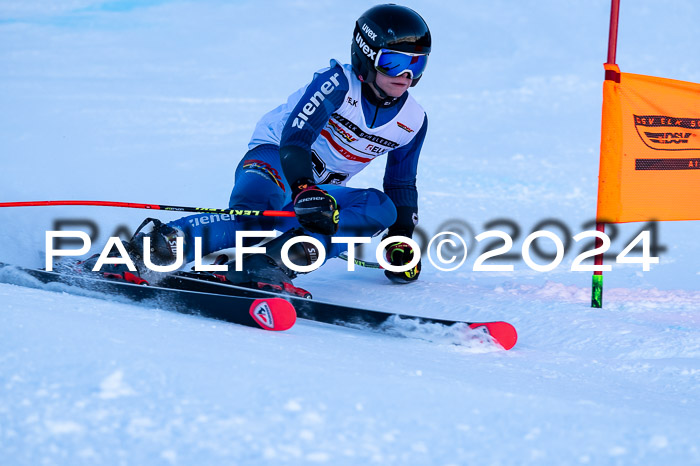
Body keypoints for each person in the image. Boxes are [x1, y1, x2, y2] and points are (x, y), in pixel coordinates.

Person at [95, 4, 431, 290]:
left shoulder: (413, 120)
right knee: (257, 218)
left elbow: (401, 183)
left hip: (319, 191)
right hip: (276, 159)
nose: (404, 75)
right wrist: (302, 188)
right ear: (366, 54)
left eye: (416, 65)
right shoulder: (337, 83)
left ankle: (270, 263)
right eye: (392, 62)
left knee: (381, 208)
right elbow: (296, 137)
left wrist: (401, 238)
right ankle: (142, 253)